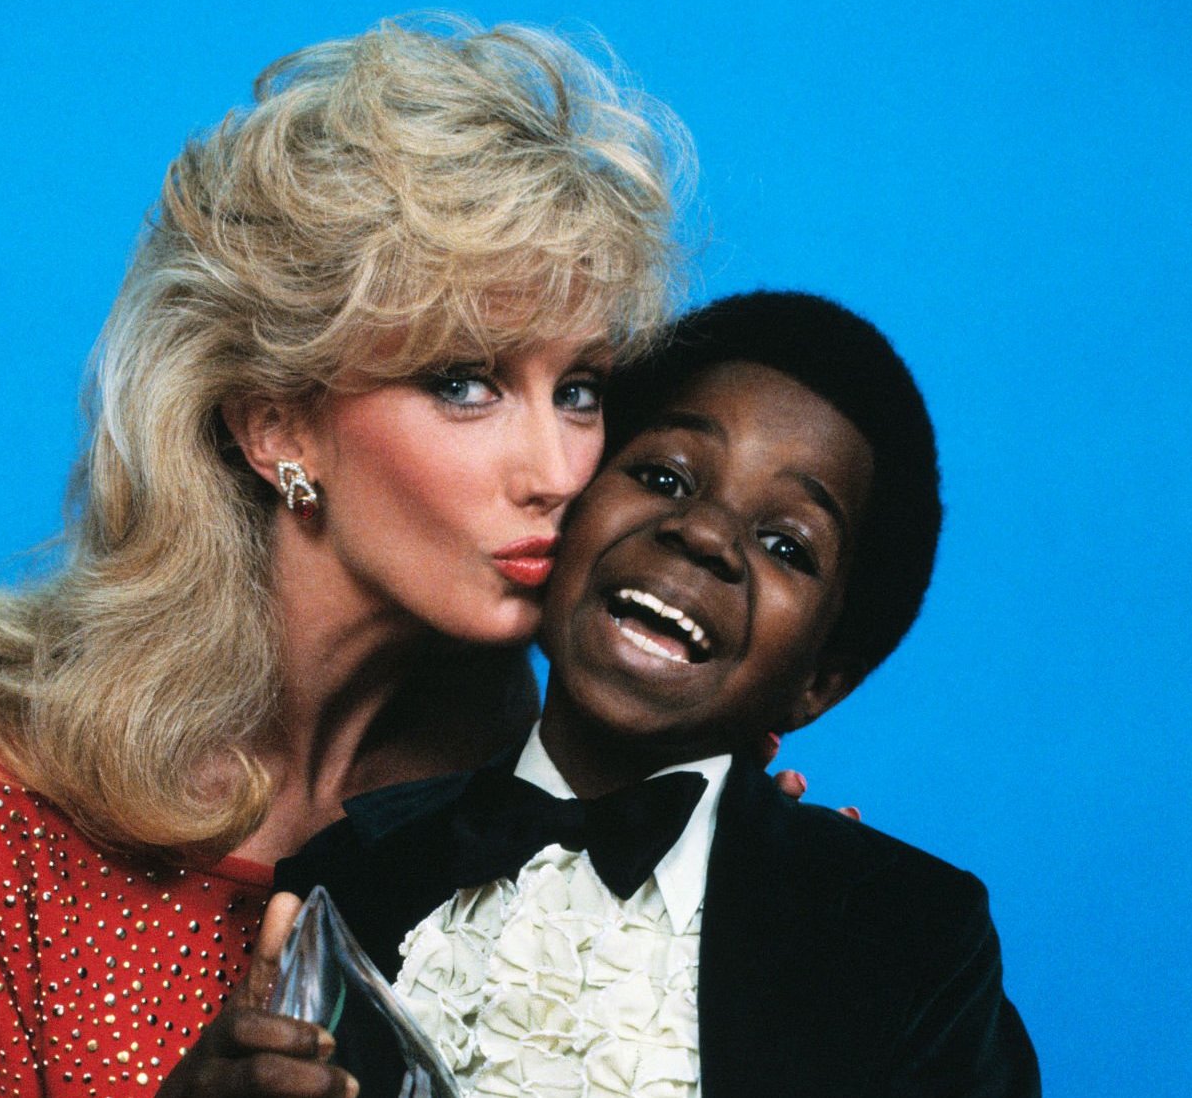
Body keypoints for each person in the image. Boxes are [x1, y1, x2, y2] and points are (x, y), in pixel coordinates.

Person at [0, 18, 695, 1098]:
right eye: (464, 381)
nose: (561, 468)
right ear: (276, 427)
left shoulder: (565, 807)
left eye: (580, 388)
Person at [277, 292, 1041, 1097]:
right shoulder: (348, 870)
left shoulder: (901, 936)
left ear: (818, 684)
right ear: (562, 527)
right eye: (663, 476)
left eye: (786, 545)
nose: (705, 534)